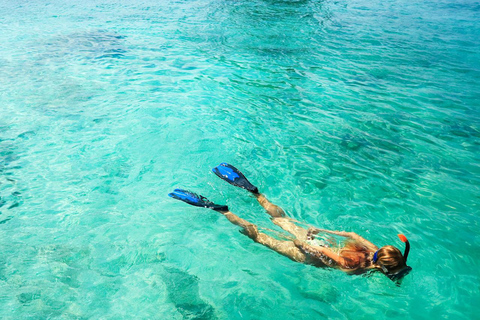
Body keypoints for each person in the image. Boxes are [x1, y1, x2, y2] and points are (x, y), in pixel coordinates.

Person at [169, 163, 412, 282]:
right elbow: (326, 254)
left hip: (317, 236)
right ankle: (221, 210)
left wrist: (317, 231)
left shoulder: (374, 249)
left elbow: (349, 233)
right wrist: (302, 245)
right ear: (385, 268)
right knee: (258, 235)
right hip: (308, 251)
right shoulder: (354, 266)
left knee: (280, 218)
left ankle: (256, 194)